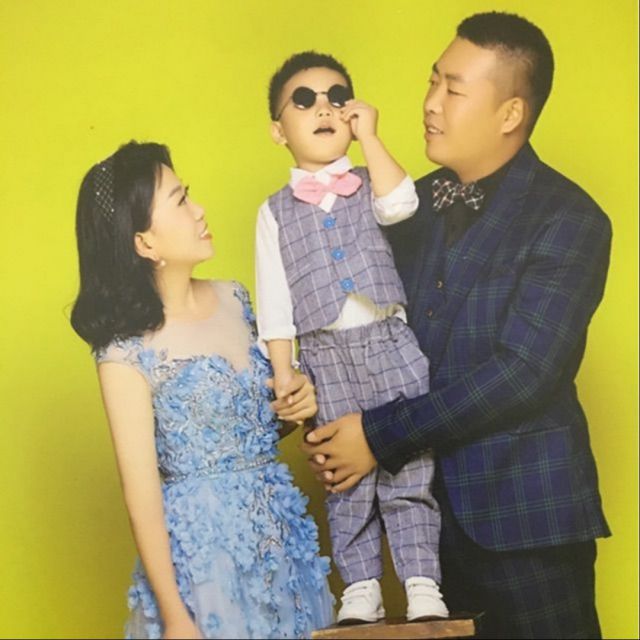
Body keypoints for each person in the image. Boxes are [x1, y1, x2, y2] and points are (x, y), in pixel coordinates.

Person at [302, 12, 612, 639]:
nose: (430, 103)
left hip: (527, 524)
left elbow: (522, 373)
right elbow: (356, 327)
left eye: (454, 89)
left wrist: (376, 435)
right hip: (422, 530)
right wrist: (311, 400)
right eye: (432, 81)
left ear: (510, 113)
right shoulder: (402, 203)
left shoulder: (571, 219)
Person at [70, 141, 334, 639]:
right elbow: (141, 490)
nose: (199, 209)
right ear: (144, 242)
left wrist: (298, 401)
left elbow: (252, 424)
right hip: (205, 563)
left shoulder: (234, 298)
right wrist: (175, 617)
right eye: (180, 201)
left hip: (283, 539)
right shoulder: (124, 351)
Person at [255, 51, 448, 623]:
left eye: (337, 98)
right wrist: (285, 374)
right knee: (344, 480)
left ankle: (422, 582)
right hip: (323, 356)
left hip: (389, 342)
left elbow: (401, 204)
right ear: (278, 131)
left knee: (410, 470)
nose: (324, 108)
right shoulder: (273, 212)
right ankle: (361, 587)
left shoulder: (369, 180)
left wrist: (371, 139)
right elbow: (275, 303)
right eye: (304, 101)